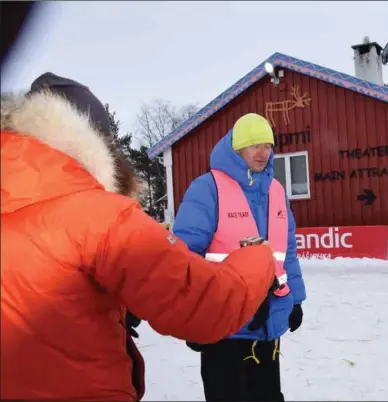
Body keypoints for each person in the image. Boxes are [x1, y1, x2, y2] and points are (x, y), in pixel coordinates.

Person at [0, 73, 276, 401]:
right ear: (93, 142)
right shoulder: (99, 215)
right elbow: (202, 302)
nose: (263, 152)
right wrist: (259, 258)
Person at [173, 112, 306, 401]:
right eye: (255, 145)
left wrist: (295, 299)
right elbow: (183, 257)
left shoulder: (276, 190)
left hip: (267, 320)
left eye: (268, 146)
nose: (263, 153)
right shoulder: (208, 188)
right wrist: (191, 316)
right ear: (237, 148)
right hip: (224, 324)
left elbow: (288, 250)